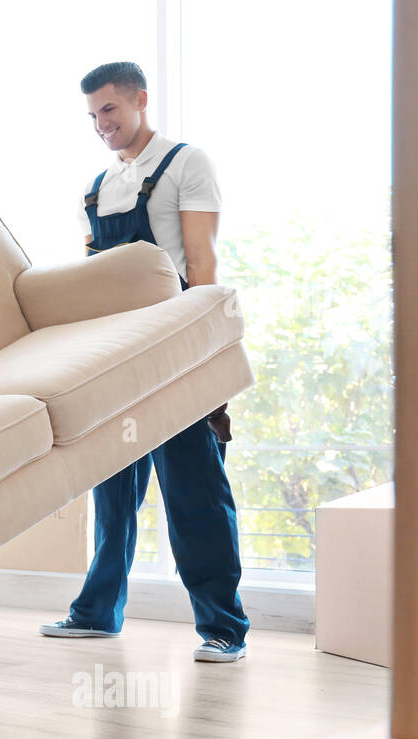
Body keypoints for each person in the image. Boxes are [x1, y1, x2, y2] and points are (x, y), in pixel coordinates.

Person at [38, 62, 250, 662]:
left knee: (194, 491)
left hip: (176, 348)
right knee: (112, 489)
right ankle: (98, 613)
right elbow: (92, 283)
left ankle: (224, 627)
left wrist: (208, 356)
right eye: (92, 116)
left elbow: (202, 264)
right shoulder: (96, 189)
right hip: (115, 355)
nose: (101, 125)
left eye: (109, 110)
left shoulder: (187, 164)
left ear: (140, 101)